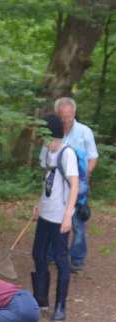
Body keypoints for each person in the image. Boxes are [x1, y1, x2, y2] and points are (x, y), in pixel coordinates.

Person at [32, 114, 79, 322]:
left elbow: (75, 186)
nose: (45, 143)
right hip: (45, 213)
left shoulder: (67, 153)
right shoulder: (46, 151)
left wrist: (68, 215)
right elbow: (47, 180)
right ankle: (41, 299)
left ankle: (61, 305)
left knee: (61, 260)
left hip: (61, 217)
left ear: (56, 136)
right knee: (38, 254)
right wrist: (38, 202)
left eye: (47, 139)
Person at [53, 97, 99, 272]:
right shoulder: (54, 131)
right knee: (55, 218)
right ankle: (53, 254)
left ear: (74, 113)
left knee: (77, 222)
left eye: (69, 115)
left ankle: (77, 259)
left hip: (78, 184)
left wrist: (83, 177)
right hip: (57, 185)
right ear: (58, 114)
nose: (66, 119)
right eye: (63, 116)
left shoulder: (84, 131)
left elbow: (93, 157)